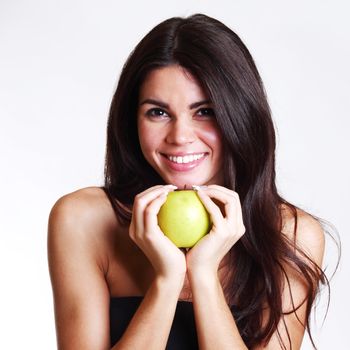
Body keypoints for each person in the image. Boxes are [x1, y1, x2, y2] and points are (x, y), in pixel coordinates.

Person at [48, 13, 329, 349]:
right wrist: (167, 281)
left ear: (239, 115)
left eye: (205, 111)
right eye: (158, 112)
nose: (180, 137)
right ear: (132, 120)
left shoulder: (291, 235)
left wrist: (203, 276)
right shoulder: (84, 220)